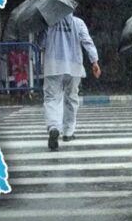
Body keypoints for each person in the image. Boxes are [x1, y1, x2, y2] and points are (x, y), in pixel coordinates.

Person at [41, 13, 101, 151]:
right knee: (72, 98)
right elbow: (87, 41)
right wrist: (94, 61)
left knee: (52, 98)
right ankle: (68, 132)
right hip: (74, 66)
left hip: (53, 66)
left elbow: (41, 43)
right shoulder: (78, 22)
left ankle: (54, 127)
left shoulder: (49, 23)